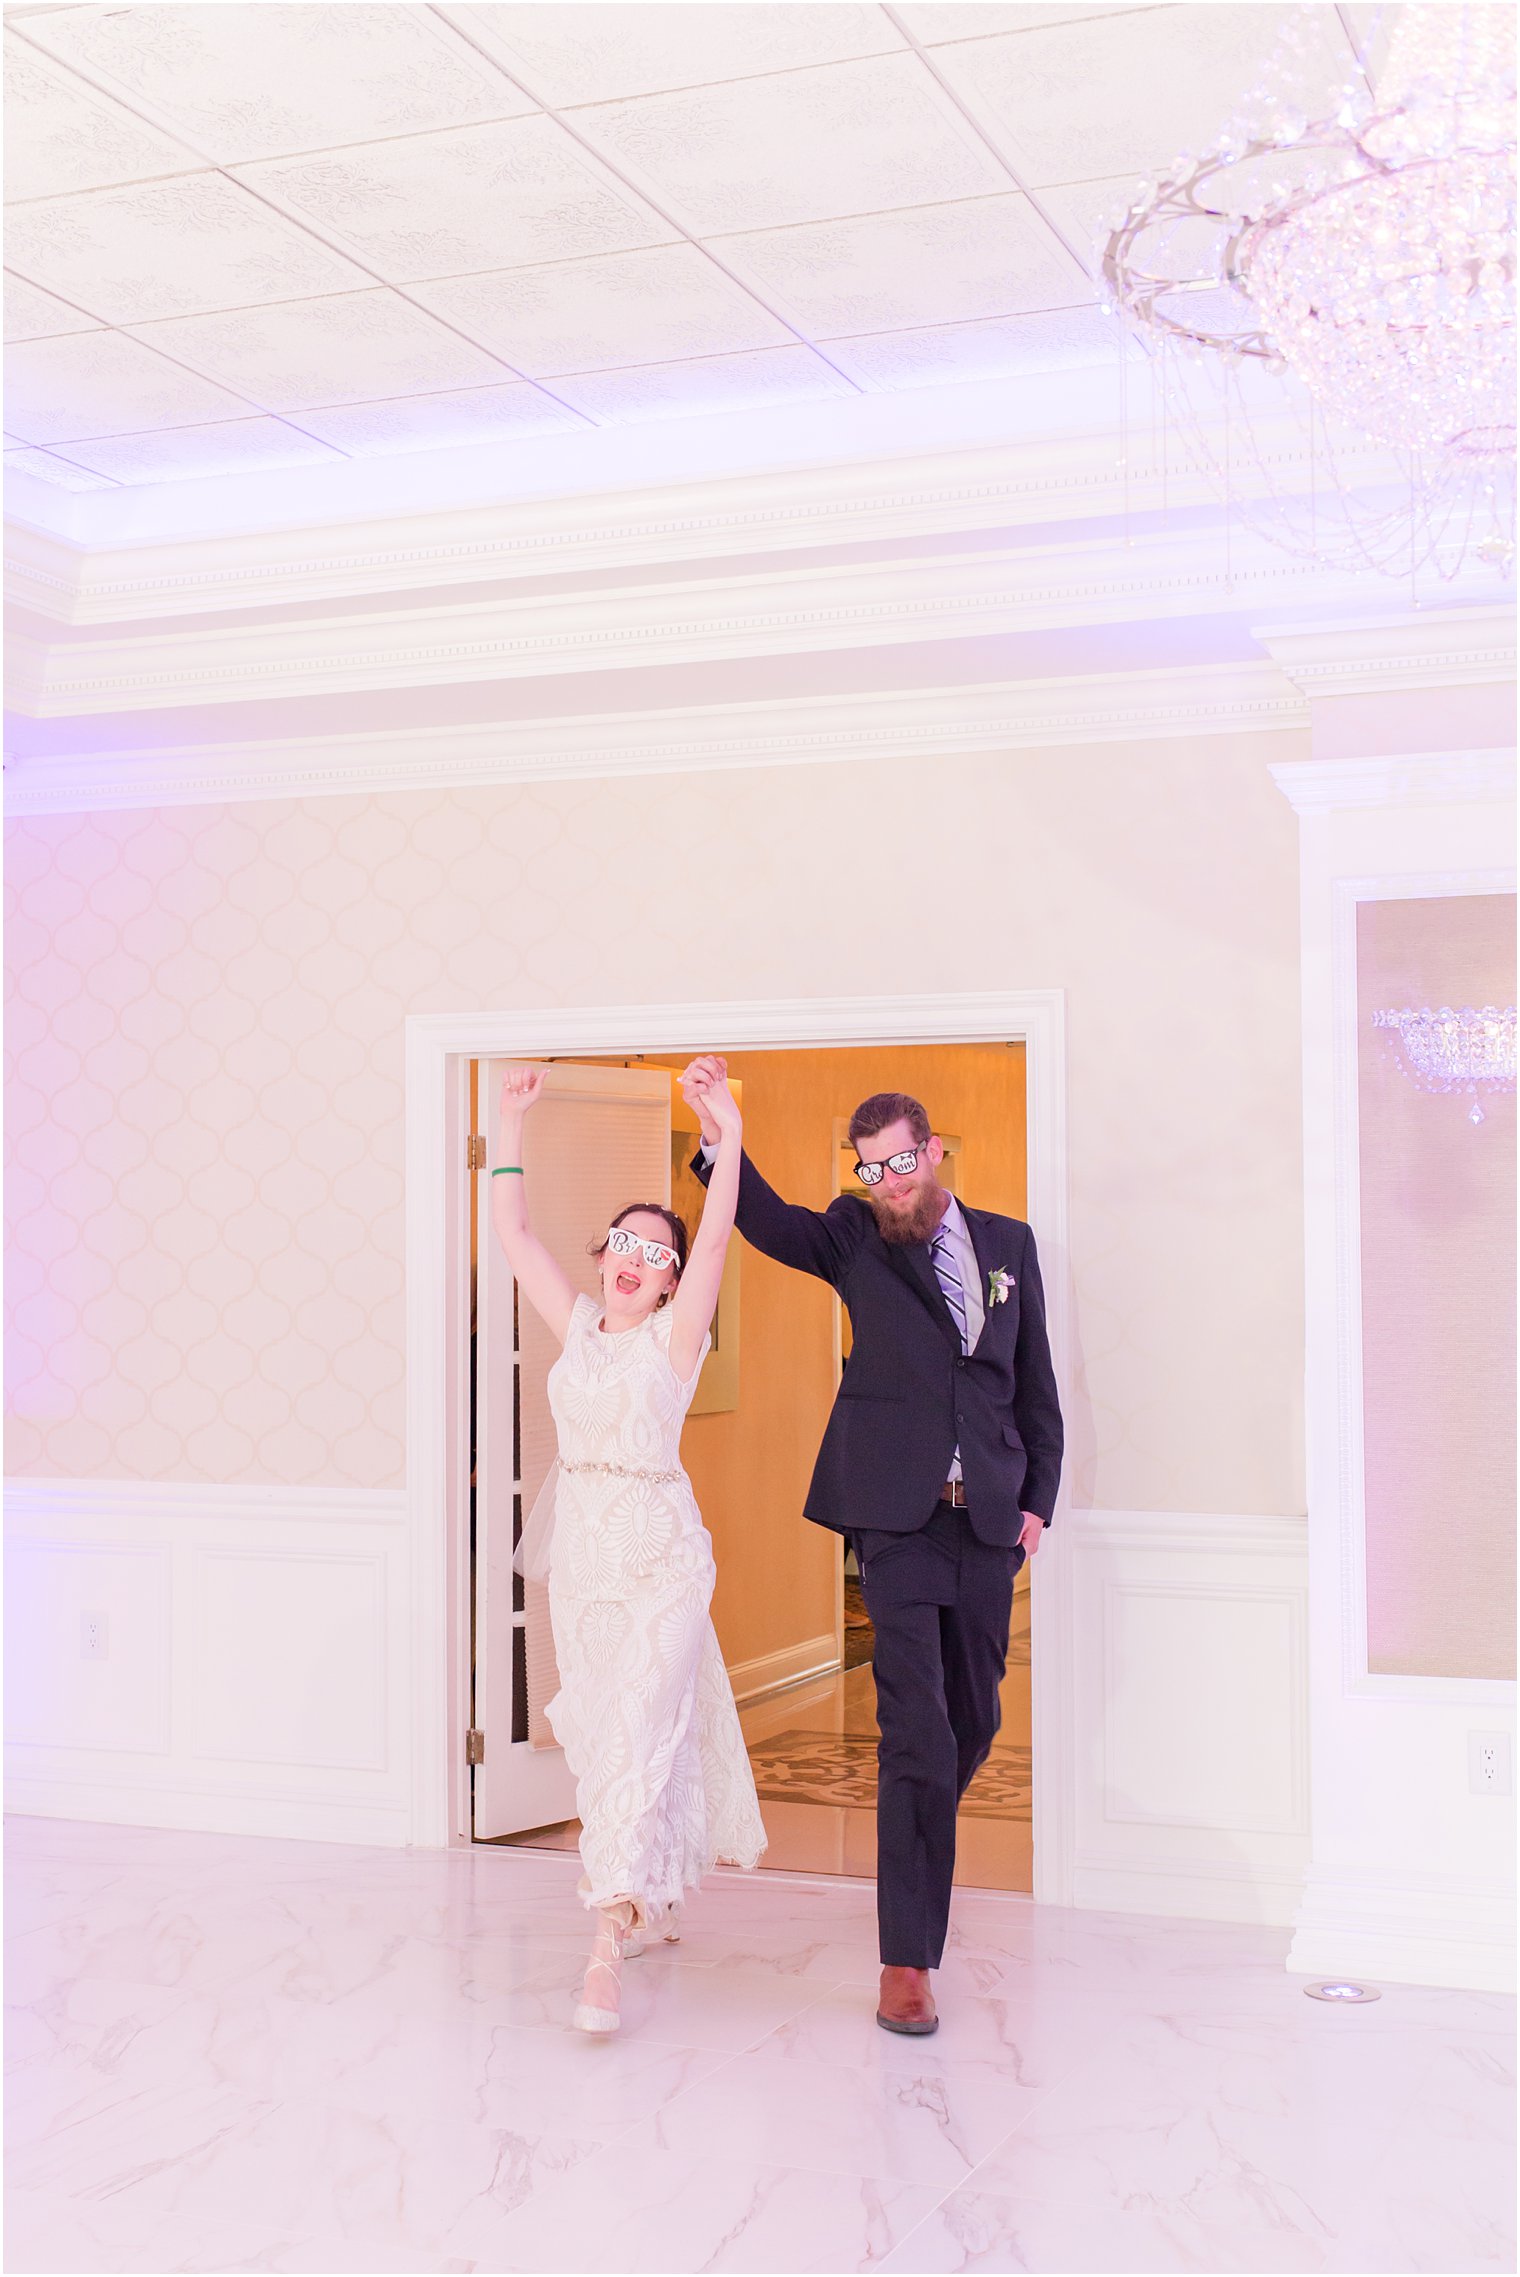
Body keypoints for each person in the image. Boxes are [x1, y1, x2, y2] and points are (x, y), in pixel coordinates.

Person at [681, 1059, 1062, 2036]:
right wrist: (720, 1131)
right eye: (868, 1170)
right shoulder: (853, 1238)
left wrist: (1038, 1502)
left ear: (931, 1151)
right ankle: (905, 1963)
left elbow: (1031, 1384)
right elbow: (766, 1221)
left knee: (969, 1721)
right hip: (891, 1522)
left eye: (899, 1163)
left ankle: (922, 1837)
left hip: (985, 1522)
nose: (887, 1182)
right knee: (912, 1736)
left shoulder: (1007, 1245)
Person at [491, 1063, 765, 2035]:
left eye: (654, 1252)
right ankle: (648, 1896)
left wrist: (724, 1134)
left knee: (646, 1727)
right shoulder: (575, 1330)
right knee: (610, 1735)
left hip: (660, 1558)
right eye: (620, 1243)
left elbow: (720, 1233)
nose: (631, 1258)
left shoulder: (673, 1341)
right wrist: (507, 1124)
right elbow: (514, 1233)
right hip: (585, 1563)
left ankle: (604, 1943)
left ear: (670, 1278)